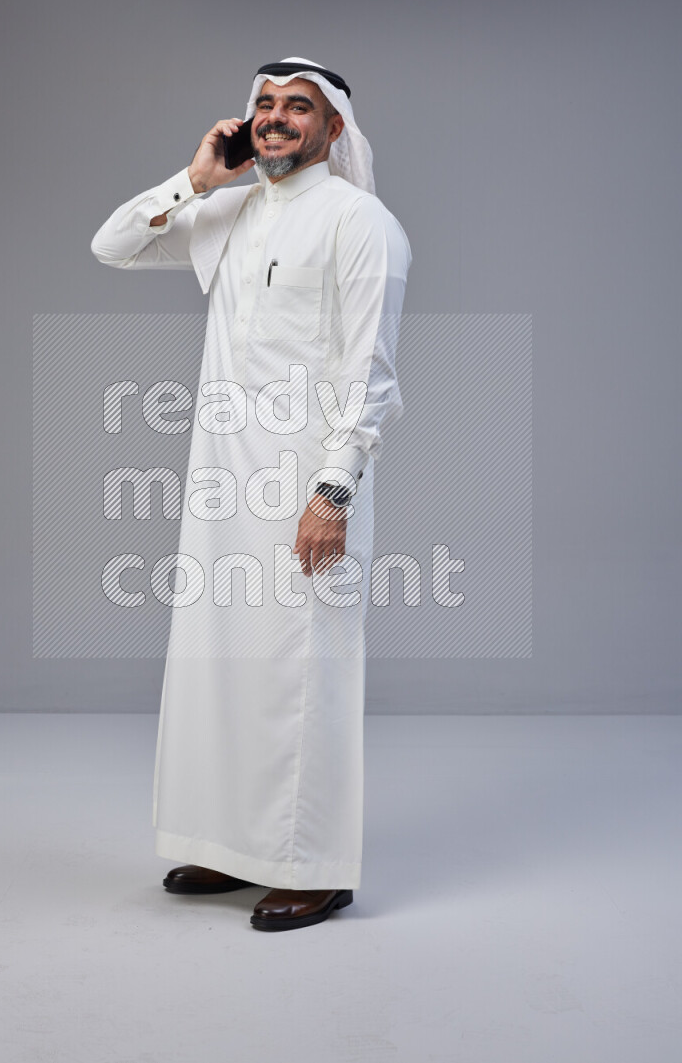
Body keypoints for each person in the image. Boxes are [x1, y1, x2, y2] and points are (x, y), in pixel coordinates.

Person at [91, 57, 411, 931]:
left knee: (304, 671)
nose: (273, 119)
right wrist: (196, 178)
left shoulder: (361, 223)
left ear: (333, 128)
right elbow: (112, 245)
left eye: (296, 108)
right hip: (218, 482)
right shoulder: (225, 211)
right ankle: (236, 848)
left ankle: (316, 863)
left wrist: (335, 491)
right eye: (262, 105)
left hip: (305, 483)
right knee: (221, 665)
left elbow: (371, 374)